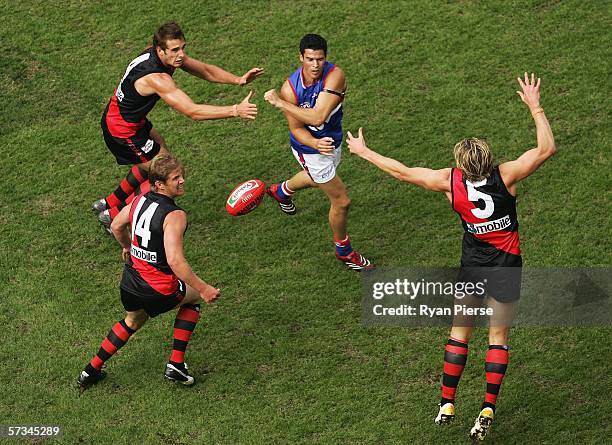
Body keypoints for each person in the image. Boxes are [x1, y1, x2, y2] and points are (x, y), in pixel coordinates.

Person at [347, 73, 555, 441]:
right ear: (489, 159)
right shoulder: (506, 177)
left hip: (472, 267)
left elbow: (402, 172)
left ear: (461, 164)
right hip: (507, 269)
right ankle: (488, 407)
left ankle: (446, 402)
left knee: (459, 334)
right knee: (498, 338)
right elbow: (545, 149)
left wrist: (365, 152)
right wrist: (535, 106)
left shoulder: (449, 182)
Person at [93, 22, 264, 233]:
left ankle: (108, 203)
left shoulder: (159, 54)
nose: (181, 54)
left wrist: (237, 80)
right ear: (160, 50)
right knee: (166, 175)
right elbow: (192, 111)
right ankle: (113, 217)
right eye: (175, 50)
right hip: (123, 131)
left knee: (158, 152)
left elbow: (205, 70)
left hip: (126, 119)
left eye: (183, 47)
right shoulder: (158, 78)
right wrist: (235, 110)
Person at [78, 153, 220, 389]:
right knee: (193, 299)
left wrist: (126, 245)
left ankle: (90, 371)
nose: (182, 180)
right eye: (176, 178)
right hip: (159, 288)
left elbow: (115, 225)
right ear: (159, 184)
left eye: (181, 175)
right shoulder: (175, 215)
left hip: (130, 282)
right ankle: (176, 364)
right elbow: (175, 260)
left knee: (131, 321)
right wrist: (203, 288)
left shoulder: (140, 199)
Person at [263, 34, 372, 271]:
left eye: (320, 59)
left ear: (326, 58)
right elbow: (296, 129)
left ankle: (282, 191)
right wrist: (314, 145)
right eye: (310, 59)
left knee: (317, 179)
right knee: (341, 200)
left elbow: (319, 116)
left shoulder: (335, 76)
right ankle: (344, 250)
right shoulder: (290, 89)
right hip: (309, 149)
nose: (315, 65)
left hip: (331, 141)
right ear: (300, 57)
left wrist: (279, 103)